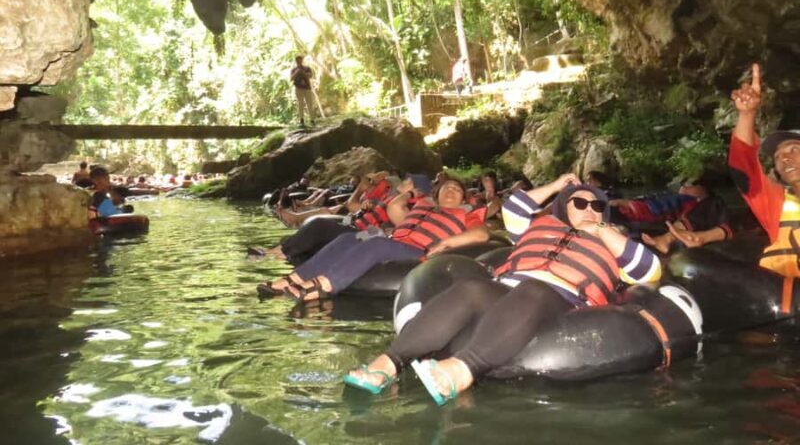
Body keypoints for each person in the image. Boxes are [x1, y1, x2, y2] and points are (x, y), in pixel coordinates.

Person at [343, 174, 661, 403]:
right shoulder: (540, 224)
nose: (590, 208)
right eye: (580, 202)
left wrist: (601, 229)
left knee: (534, 291)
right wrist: (557, 185)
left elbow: (649, 270)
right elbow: (513, 208)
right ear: (565, 206)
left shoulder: (614, 237)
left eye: (597, 204)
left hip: (561, 298)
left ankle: (463, 369)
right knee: (471, 287)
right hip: (507, 286)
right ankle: (387, 363)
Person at [259, 177, 489, 302]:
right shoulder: (422, 206)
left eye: (456, 189)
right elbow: (395, 207)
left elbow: (482, 234)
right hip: (393, 240)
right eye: (446, 187)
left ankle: (321, 287)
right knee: (347, 239)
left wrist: (446, 243)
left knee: (376, 243)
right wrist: (410, 193)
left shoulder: (468, 213)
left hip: (418, 252)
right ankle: (293, 278)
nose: (450, 190)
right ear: (436, 194)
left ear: (463, 198)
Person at [729, 63, 800, 277]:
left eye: (795, 149)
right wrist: (747, 114)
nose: (785, 158)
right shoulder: (776, 203)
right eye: (778, 157)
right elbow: (743, 167)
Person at [609, 178, 733, 254]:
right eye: (683, 184)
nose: (684, 187)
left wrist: (627, 204)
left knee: (714, 202)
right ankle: (668, 239)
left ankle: (668, 239)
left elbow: (654, 208)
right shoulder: (678, 199)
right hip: (631, 217)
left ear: (702, 192)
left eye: (691, 185)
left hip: (633, 215)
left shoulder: (702, 202)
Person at [290, 55, 315, 127]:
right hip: (298, 88)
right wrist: (297, 72)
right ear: (296, 61)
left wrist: (303, 72)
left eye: (300, 60)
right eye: (297, 60)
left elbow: (310, 75)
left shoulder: (307, 68)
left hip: (307, 88)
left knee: (309, 103)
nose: (299, 61)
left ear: (302, 60)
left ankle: (312, 119)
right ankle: (301, 119)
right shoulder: (294, 70)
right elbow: (291, 78)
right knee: (300, 104)